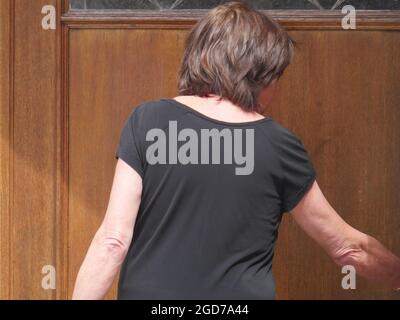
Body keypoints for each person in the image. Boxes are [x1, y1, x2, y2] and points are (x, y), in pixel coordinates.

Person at [72, 1, 400, 300]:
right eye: (275, 77)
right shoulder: (278, 145)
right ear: (259, 75)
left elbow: (112, 242)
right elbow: (348, 248)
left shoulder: (148, 121)